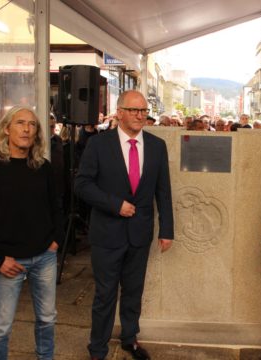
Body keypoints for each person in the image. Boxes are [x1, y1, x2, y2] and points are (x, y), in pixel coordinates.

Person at [75, 90, 174, 360]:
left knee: (133, 291)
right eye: (134, 110)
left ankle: (130, 338)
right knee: (105, 295)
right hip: (107, 234)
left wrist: (167, 230)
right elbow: (82, 184)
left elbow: (163, 191)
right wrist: (114, 204)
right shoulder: (99, 144)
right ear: (119, 112)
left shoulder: (156, 146)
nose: (141, 115)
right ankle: (98, 348)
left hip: (139, 234)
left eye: (144, 111)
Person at [0, 106, 63, 360]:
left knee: (47, 319)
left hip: (44, 257)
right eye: (20, 123)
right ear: (7, 129)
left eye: (32, 124)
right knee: (0, 328)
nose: (27, 129)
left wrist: (54, 242)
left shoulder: (44, 168)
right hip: (7, 261)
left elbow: (57, 207)